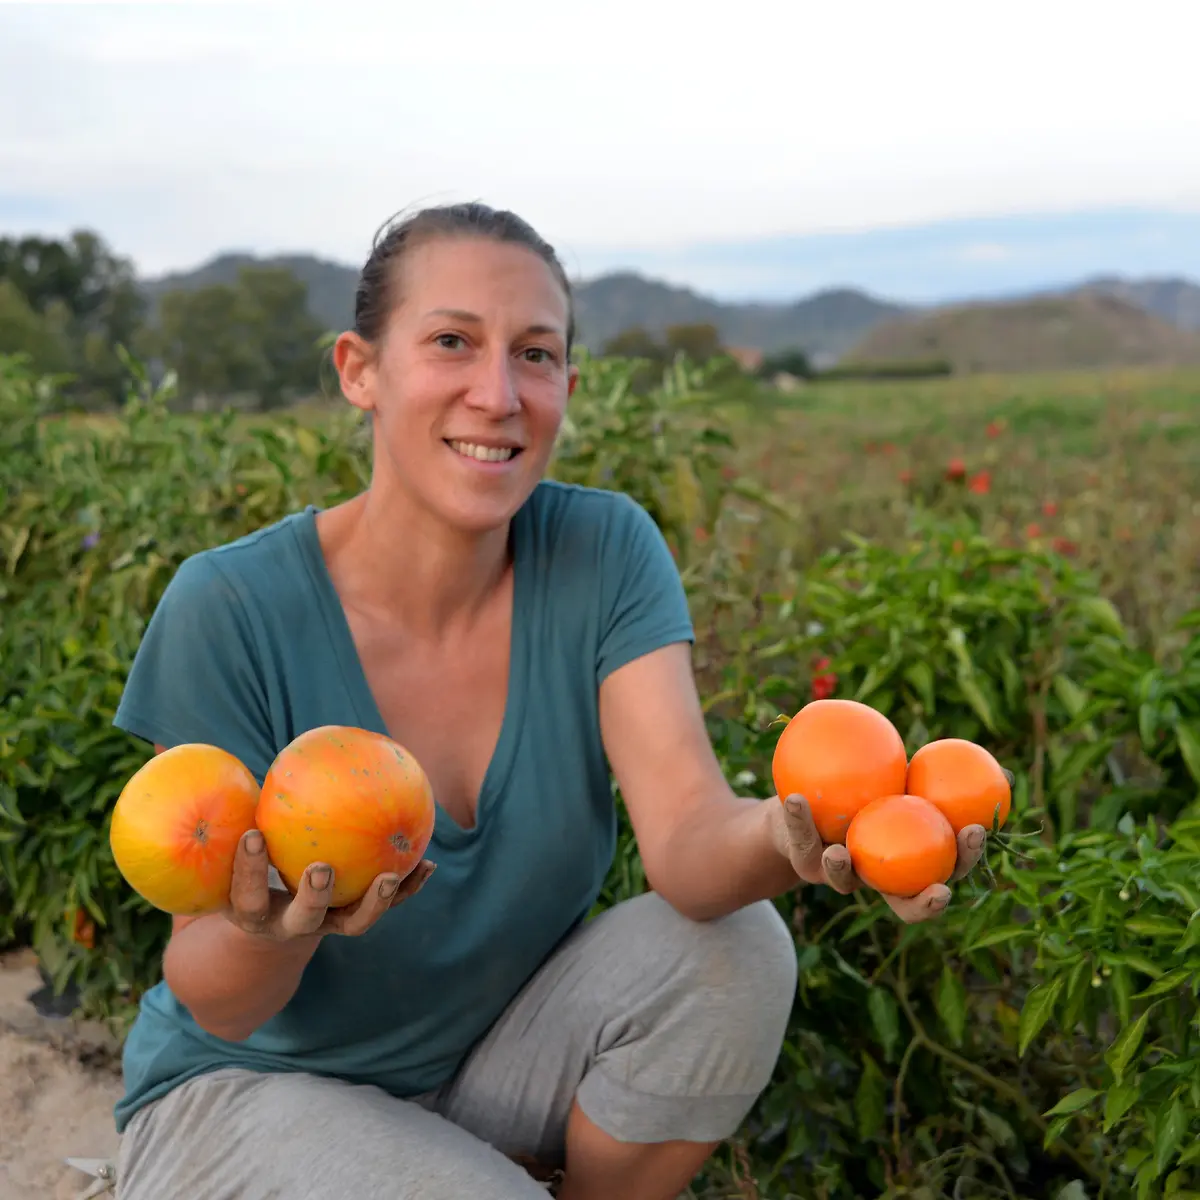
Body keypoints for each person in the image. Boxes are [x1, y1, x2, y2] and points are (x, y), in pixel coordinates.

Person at [108, 201, 986, 1200]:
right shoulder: (231, 606)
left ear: (567, 386)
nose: (497, 395)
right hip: (243, 1096)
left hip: (482, 1073)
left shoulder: (601, 554)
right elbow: (220, 1002)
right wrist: (283, 925)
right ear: (360, 369)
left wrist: (800, 833)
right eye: (451, 342)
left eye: (533, 354)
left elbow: (688, 843)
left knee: (738, 948)